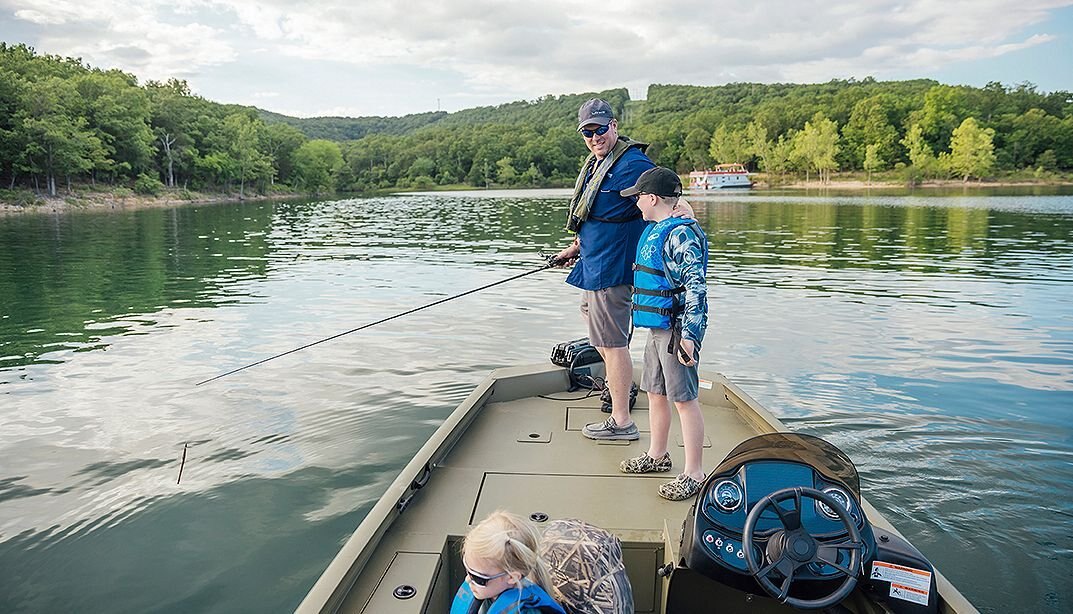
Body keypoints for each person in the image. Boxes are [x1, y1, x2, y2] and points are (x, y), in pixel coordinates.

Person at [552, 98, 693, 442]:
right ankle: (621, 385)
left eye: (601, 128)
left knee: (612, 343)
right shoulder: (598, 163)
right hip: (593, 261)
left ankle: (621, 421)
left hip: (612, 268)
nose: (595, 136)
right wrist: (574, 248)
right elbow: (600, 215)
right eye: (588, 131)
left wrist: (685, 221)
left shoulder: (632, 164)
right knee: (596, 329)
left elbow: (672, 200)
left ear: (614, 125)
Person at [616, 167, 710, 501]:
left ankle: (694, 473)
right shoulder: (660, 228)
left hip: (675, 330)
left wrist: (690, 335)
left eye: (639, 197)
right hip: (655, 329)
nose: (636, 203)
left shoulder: (680, 234)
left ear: (652, 198)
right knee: (654, 392)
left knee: (684, 400)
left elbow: (696, 286)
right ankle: (657, 455)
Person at [451, 510, 566, 614]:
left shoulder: (525, 612)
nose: (468, 580)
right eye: (468, 569)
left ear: (511, 577)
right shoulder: (490, 591)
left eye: (478, 578)